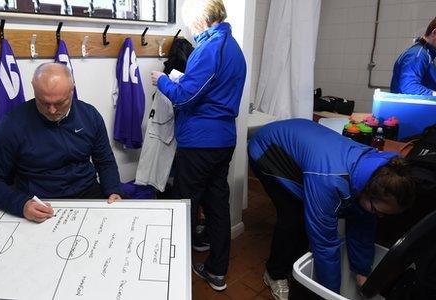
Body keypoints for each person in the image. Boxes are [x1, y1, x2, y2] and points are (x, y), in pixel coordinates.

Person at [248, 119, 415, 300]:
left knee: (311, 219)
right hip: (268, 149)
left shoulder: (374, 174)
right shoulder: (330, 180)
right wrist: (331, 294)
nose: (380, 216)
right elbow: (325, 243)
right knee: (292, 218)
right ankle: (274, 273)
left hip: (306, 148)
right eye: (378, 211)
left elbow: (362, 228)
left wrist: (362, 273)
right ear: (369, 192)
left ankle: (295, 266)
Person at [149, 0, 247, 292]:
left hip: (200, 143)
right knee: (217, 206)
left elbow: (185, 98)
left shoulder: (209, 49)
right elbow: (211, 89)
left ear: (202, 19)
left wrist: (163, 81)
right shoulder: (234, 48)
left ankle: (173, 275)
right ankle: (217, 271)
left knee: (185, 205)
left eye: (191, 20)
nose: (190, 26)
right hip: (224, 140)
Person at [0, 63, 122, 223]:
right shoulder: (12, 124)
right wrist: (22, 205)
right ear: (34, 89)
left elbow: (105, 161)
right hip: (41, 203)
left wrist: (113, 190)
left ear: (72, 91)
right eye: (44, 102)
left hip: (88, 196)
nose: (52, 111)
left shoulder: (90, 115)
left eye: (60, 103)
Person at [390, 17, 436, 96]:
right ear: (434, 33)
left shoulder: (428, 55)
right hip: (406, 108)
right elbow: (409, 87)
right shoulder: (418, 55)